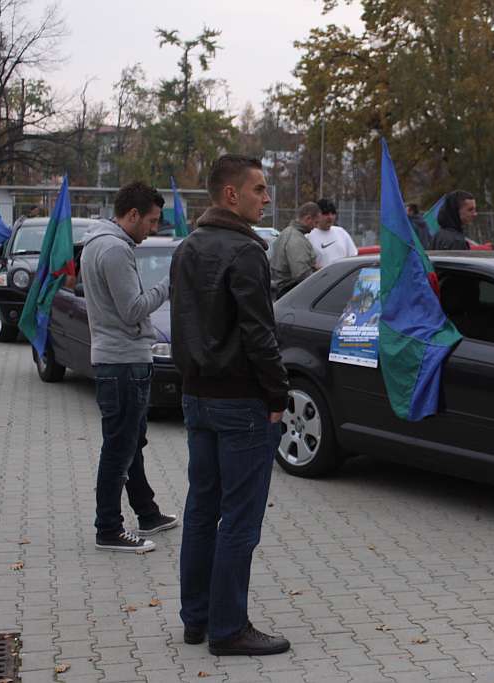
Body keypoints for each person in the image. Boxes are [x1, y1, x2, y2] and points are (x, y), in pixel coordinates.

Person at [170, 154, 290, 656]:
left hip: (198, 398)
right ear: (230, 195)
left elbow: (180, 326)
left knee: (201, 511)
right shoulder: (246, 252)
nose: (267, 197)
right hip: (240, 403)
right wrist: (278, 394)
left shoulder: (188, 247)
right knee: (239, 520)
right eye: (260, 189)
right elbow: (259, 334)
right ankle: (227, 629)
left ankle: (197, 619)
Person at [80, 181, 178, 553]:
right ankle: (108, 528)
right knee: (119, 449)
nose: (152, 229)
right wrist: (167, 285)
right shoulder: (115, 250)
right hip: (122, 363)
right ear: (132, 214)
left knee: (131, 443)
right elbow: (133, 308)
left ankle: (147, 512)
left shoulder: (98, 243)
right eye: (150, 222)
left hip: (119, 360)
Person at [271, 202, 320, 296]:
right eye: (316, 222)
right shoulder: (296, 239)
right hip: (290, 292)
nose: (316, 226)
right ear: (308, 218)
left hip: (281, 291)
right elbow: (302, 275)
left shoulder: (287, 232)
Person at [306, 198, 358, 268]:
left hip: (342, 277)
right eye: (326, 213)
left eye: (333, 213)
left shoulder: (341, 232)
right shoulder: (308, 236)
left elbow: (353, 257)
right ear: (316, 215)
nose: (330, 217)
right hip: (322, 278)